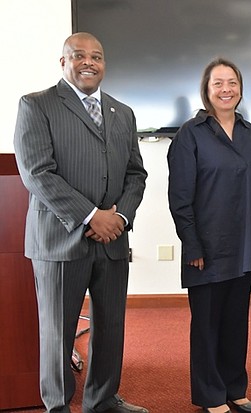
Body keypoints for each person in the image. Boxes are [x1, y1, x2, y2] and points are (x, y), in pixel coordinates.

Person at [12, 32, 148, 413]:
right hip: (59, 240)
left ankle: (102, 400)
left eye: (97, 57)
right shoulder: (36, 105)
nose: (89, 62)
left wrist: (119, 217)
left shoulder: (123, 112)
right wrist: (92, 216)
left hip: (112, 241)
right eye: (79, 56)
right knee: (57, 333)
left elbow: (137, 174)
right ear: (63, 62)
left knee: (111, 327)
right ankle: (57, 406)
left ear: (105, 64)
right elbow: (37, 173)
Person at [167, 58, 251, 413]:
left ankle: (234, 387)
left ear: (240, 88)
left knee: (235, 323)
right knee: (207, 326)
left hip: (243, 247)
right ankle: (210, 394)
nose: (226, 89)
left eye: (232, 83)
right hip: (206, 249)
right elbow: (179, 197)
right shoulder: (189, 134)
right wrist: (191, 243)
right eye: (218, 83)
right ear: (206, 90)